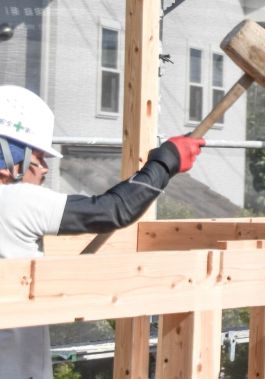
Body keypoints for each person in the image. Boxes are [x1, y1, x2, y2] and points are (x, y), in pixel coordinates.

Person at [0, 85, 204, 379]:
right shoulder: (12, 200)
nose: (45, 169)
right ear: (8, 164)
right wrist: (166, 160)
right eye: (38, 159)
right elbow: (114, 209)